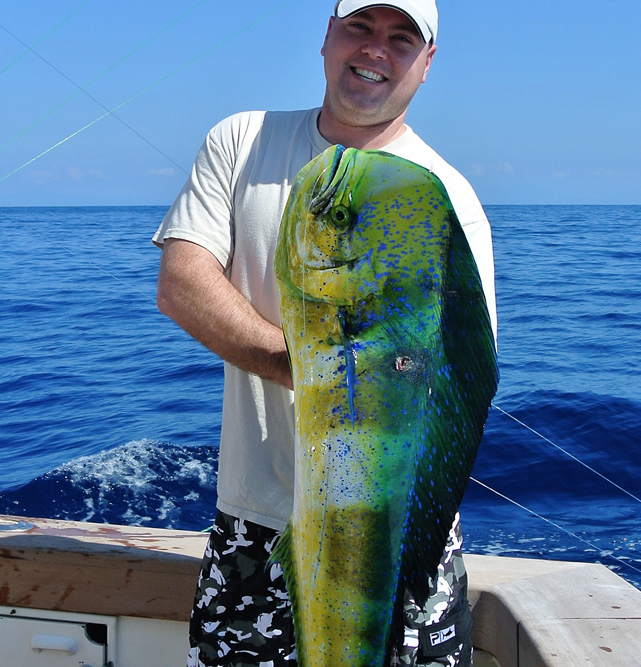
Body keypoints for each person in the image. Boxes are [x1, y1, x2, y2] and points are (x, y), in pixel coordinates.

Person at [153, 1, 497, 665]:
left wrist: (346, 373)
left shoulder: (448, 201)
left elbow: (453, 377)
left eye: (401, 39)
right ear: (326, 38)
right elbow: (181, 284)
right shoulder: (243, 141)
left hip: (397, 535)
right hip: (256, 520)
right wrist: (315, 368)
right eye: (359, 27)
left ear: (427, 63)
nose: (375, 50)